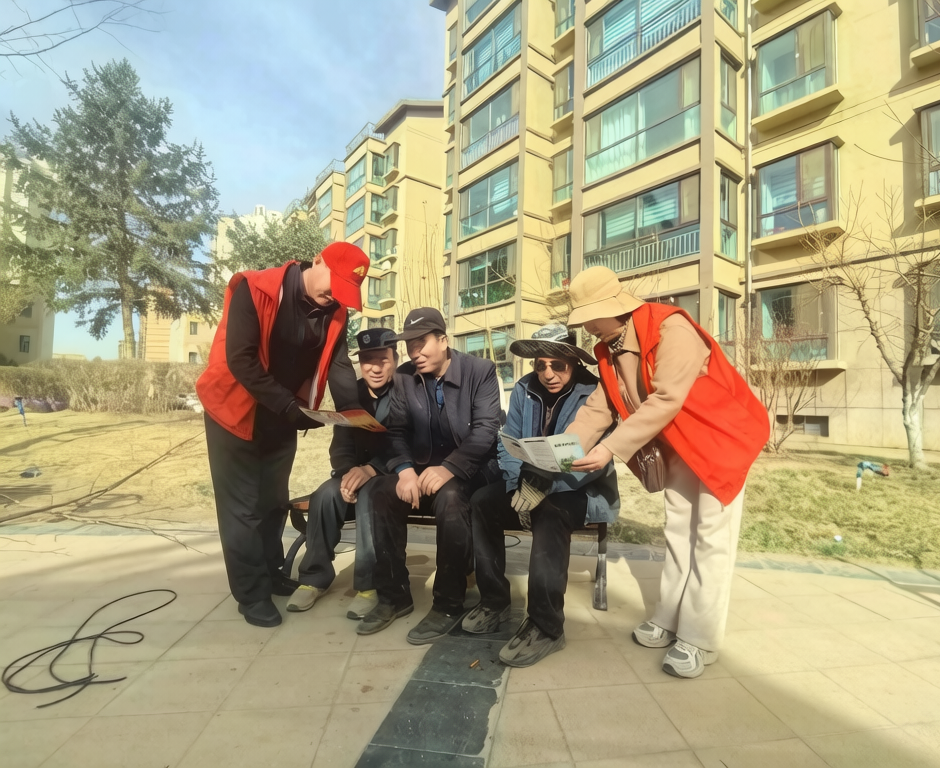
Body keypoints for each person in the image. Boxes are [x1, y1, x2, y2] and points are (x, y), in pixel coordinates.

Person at [564, 266, 769, 678]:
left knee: (710, 537)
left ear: (612, 306)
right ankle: (670, 617)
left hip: (721, 439)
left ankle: (700, 638)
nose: (586, 326)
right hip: (677, 443)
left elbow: (666, 398)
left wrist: (609, 449)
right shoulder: (608, 348)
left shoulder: (671, 327)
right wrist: (561, 451)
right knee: (678, 530)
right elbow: (600, 409)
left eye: (589, 315)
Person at [196, 242, 370, 628]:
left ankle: (271, 573)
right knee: (242, 508)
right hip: (234, 409)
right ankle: (251, 594)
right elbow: (240, 359)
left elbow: (339, 365)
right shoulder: (255, 289)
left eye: (345, 292)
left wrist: (353, 413)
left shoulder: (334, 310)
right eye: (334, 285)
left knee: (273, 501)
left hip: (282, 415)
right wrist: (290, 407)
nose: (335, 297)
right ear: (318, 260)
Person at [464, 324, 619, 667]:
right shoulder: (523, 388)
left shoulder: (595, 392)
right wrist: (518, 484)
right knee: (482, 502)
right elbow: (509, 444)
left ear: (574, 362)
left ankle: (546, 626)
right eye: (540, 365)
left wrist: (545, 487)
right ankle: (494, 601)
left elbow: (592, 462)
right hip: (527, 483)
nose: (548, 374)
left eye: (557, 366)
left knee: (550, 512)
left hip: (580, 489)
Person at [356, 307, 502, 643]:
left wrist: (450, 467)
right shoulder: (405, 377)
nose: (415, 353)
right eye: (410, 346)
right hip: (422, 469)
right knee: (381, 491)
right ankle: (394, 596)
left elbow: (485, 430)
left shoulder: (480, 371)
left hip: (473, 467)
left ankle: (448, 604)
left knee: (451, 498)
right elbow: (396, 431)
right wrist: (405, 471)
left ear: (444, 340)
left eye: (422, 343)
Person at [287, 327, 398, 618]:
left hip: (392, 475)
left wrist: (371, 470)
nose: (375, 368)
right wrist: (348, 473)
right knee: (325, 494)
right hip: (356, 473)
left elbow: (412, 444)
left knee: (370, 497)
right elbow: (341, 445)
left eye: (383, 359)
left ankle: (368, 586)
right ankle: (314, 578)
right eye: (368, 360)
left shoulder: (407, 392)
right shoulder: (352, 395)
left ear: (395, 360)